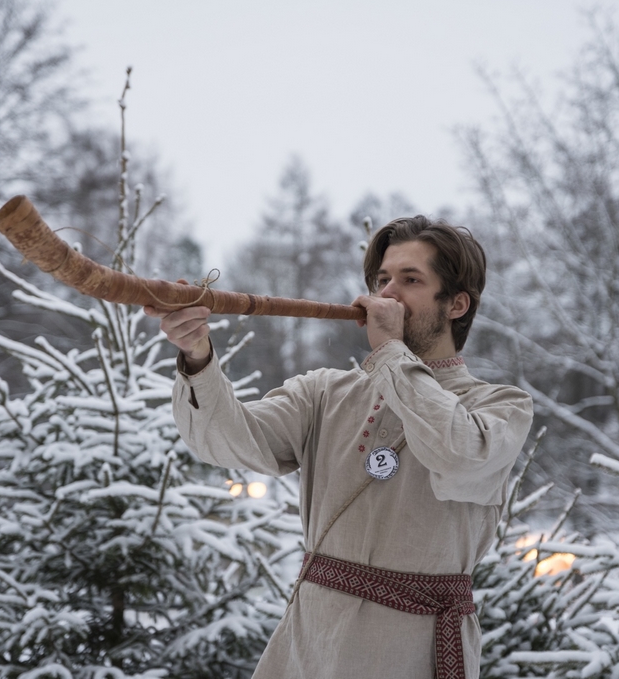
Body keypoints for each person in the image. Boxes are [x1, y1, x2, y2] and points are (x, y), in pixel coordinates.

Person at [145, 216, 533, 679]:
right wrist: (196, 353)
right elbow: (224, 440)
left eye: (410, 280)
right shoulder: (325, 392)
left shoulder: (500, 407)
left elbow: (458, 455)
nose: (388, 294)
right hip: (308, 648)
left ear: (457, 304)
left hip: (410, 654)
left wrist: (390, 351)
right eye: (382, 280)